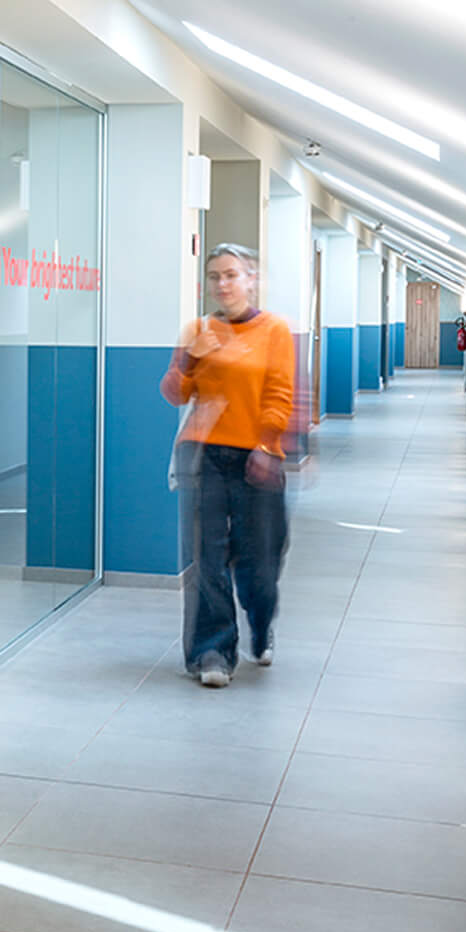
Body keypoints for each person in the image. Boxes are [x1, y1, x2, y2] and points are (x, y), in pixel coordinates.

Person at [161, 243, 293, 687]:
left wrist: (266, 442)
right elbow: (175, 394)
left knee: (260, 563)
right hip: (201, 453)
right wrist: (188, 359)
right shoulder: (198, 329)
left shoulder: (274, 331)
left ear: (250, 279)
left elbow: (278, 392)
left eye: (232, 275)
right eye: (215, 276)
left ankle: (260, 623)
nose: (223, 284)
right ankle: (212, 651)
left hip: (257, 455)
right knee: (206, 558)